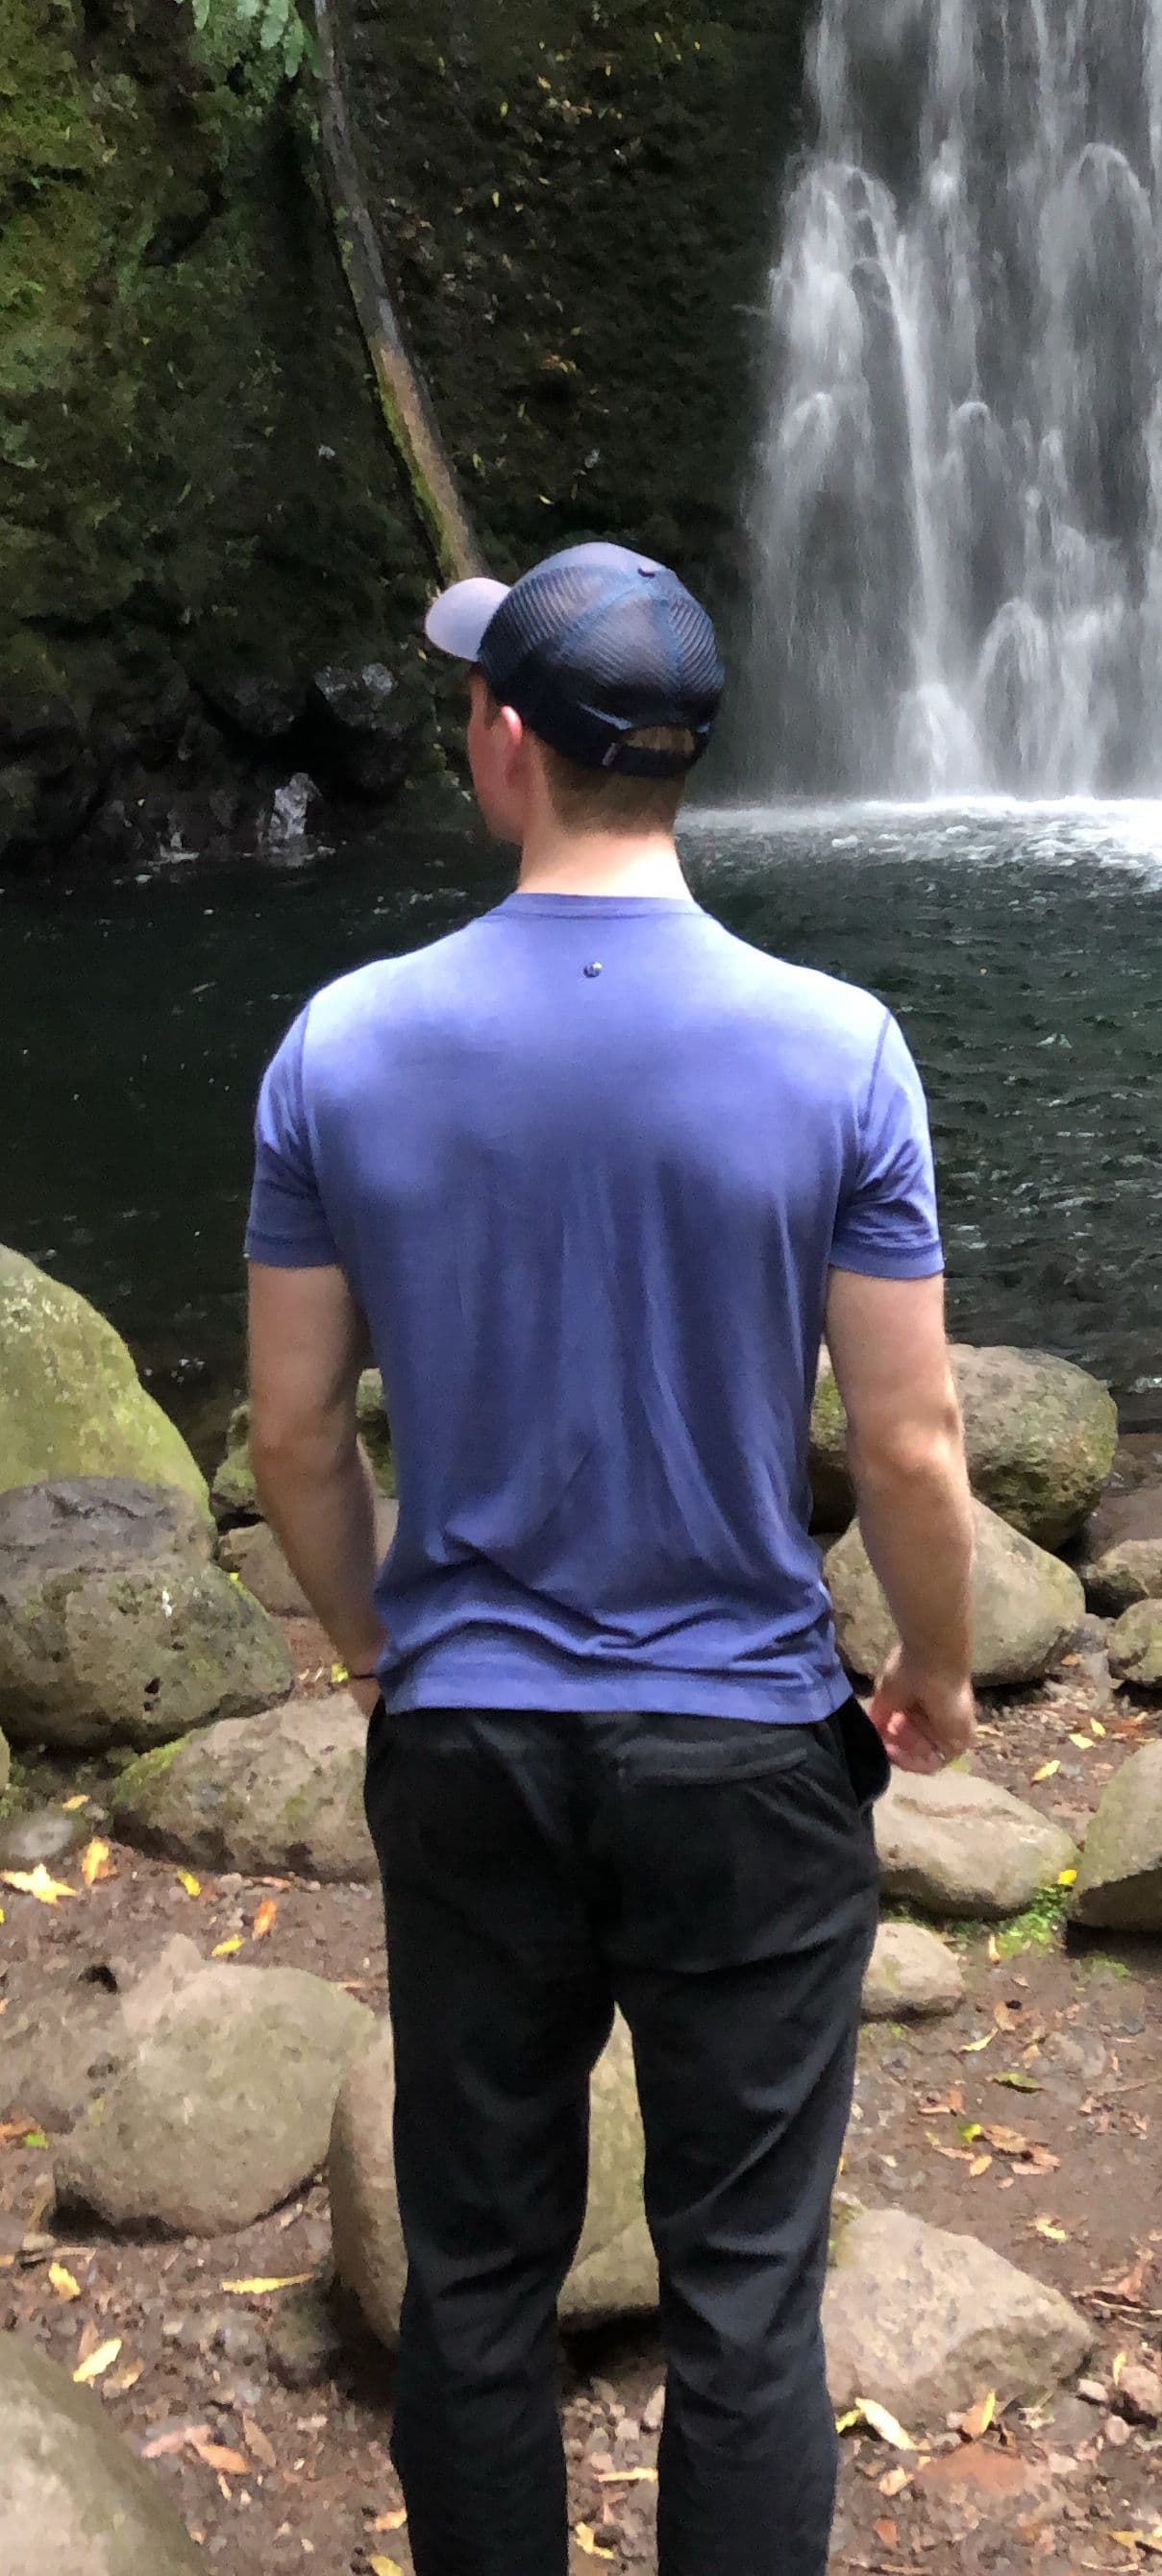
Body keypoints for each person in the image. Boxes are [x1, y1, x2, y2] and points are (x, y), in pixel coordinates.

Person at [242, 538, 976, 2576]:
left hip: (473, 1741)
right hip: (747, 1746)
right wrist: (937, 1669)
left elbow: (296, 1431)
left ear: (504, 744)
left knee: (476, 2276)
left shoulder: (343, 1045)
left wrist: (385, 1648)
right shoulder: (842, 1048)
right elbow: (909, 1438)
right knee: (750, 2298)